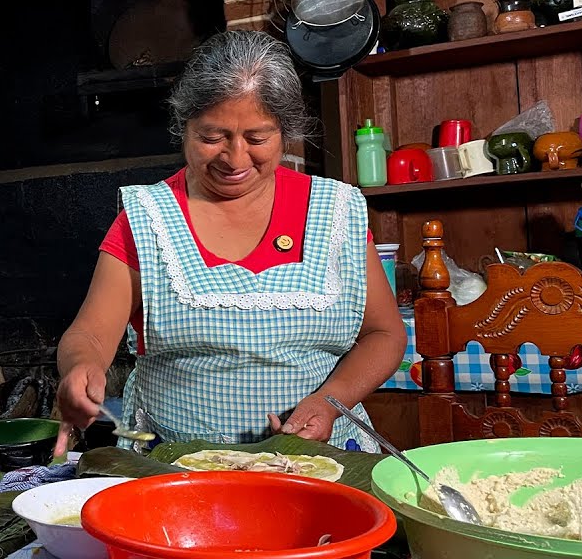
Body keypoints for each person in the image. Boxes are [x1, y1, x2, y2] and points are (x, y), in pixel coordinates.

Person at [54, 31, 406, 454]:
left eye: (257, 138)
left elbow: (384, 333)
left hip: (319, 461)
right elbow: (91, 335)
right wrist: (81, 369)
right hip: (177, 465)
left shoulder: (335, 210)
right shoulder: (148, 218)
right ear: (183, 127)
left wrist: (330, 404)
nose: (235, 159)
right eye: (212, 137)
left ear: (285, 132)